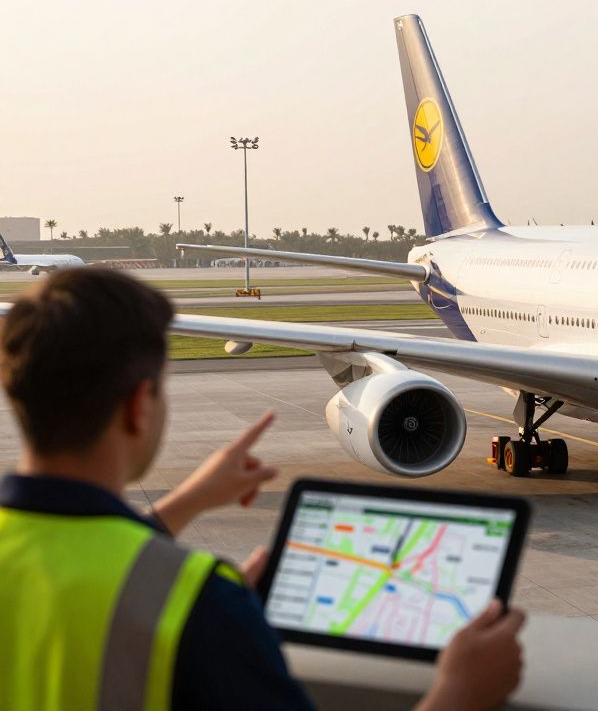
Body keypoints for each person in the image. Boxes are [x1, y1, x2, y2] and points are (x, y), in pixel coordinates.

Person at [0, 268, 525, 710]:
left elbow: (65, 564)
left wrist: (188, 502)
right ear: (139, 406)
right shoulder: (201, 602)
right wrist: (458, 693)